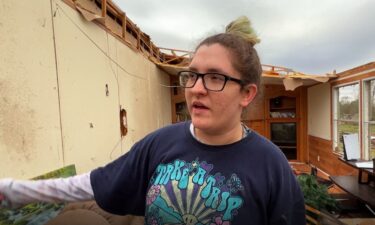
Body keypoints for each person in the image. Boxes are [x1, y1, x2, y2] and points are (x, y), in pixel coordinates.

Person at [0, 16, 306, 224]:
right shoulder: (161, 143)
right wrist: (12, 191)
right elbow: (90, 184)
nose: (196, 88)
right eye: (192, 75)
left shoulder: (271, 164)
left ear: (247, 94)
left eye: (215, 78)